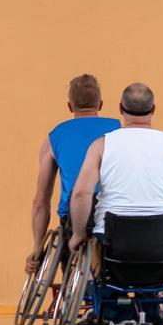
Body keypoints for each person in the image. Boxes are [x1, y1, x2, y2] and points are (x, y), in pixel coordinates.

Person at [68, 83, 163, 325]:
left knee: (97, 256)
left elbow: (80, 194)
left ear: (121, 109)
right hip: (161, 249)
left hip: (113, 246)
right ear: (153, 109)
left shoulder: (102, 145)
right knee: (157, 261)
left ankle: (117, 316)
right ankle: (151, 316)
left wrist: (77, 234)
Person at [26, 74, 120, 273]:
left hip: (77, 218)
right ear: (100, 104)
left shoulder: (56, 137)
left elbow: (41, 201)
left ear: (70, 106)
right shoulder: (119, 130)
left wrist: (37, 248)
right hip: (119, 216)